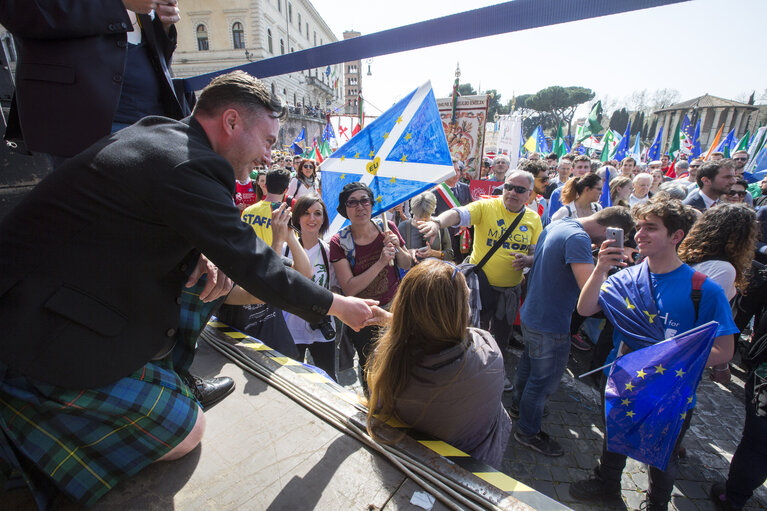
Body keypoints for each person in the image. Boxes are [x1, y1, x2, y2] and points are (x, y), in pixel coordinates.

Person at [0, 71, 376, 508]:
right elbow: (256, 266)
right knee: (189, 429)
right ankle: (47, 436)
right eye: (269, 141)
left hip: (62, 289)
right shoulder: (189, 166)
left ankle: (170, 379)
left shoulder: (161, 134)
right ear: (232, 122)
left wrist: (194, 252)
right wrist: (337, 305)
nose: (269, 157)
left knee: (207, 275)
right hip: (31, 331)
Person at [570, 197, 738, 511]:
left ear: (677, 236)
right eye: (639, 227)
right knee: (613, 439)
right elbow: (586, 308)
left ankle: (656, 503)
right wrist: (601, 268)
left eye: (651, 228)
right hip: (623, 380)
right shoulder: (625, 277)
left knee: (663, 455)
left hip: (670, 391)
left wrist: (663, 359)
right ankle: (606, 483)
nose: (640, 234)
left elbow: (723, 349)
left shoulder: (703, 289)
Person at [511, 207, 635, 457]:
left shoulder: (561, 224)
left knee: (529, 364)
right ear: (608, 230)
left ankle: (518, 407)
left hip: (534, 313)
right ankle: (528, 430)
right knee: (542, 381)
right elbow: (590, 293)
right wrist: (604, 266)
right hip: (551, 322)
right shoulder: (578, 239)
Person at [364, 260, 511, 469]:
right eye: (466, 300)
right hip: (475, 471)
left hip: (413, 468)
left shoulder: (386, 364)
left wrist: (393, 321)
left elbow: (423, 331)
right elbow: (451, 332)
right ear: (459, 311)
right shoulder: (489, 351)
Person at [0, 1, 190, 163]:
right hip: (82, 117)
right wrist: (118, 3)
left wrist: (163, 24)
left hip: (153, 117)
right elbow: (20, 10)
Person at [420, 170, 543, 387]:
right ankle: (466, 369)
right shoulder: (486, 206)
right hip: (480, 285)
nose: (512, 192)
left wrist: (528, 260)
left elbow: (537, 254)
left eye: (520, 189)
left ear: (529, 194)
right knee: (471, 329)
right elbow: (459, 213)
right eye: (508, 187)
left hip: (510, 291)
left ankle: (497, 372)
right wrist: (438, 222)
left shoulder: (534, 219)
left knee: (501, 336)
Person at [330, 182, 414, 392]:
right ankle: (374, 409)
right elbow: (349, 289)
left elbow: (405, 264)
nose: (360, 207)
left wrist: (398, 247)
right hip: (364, 316)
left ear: (371, 204)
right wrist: (380, 263)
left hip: (395, 307)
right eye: (353, 202)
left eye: (364, 201)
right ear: (345, 209)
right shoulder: (339, 242)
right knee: (371, 366)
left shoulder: (387, 227)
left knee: (400, 360)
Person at [282, 195, 338, 380]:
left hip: (322, 327)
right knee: (292, 379)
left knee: (329, 377)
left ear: (324, 219)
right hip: (291, 327)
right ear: (297, 216)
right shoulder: (285, 249)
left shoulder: (329, 251)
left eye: (317, 213)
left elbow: (335, 287)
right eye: (306, 213)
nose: (312, 219)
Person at [241, 167, 292, 247]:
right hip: (274, 258)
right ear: (286, 190)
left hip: (249, 257)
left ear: (266, 186)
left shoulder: (247, 211)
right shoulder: (286, 216)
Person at [399, 192, 453, 262]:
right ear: (414, 212)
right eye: (418, 216)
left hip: (435, 270)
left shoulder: (439, 225)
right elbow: (396, 257)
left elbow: (450, 254)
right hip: (413, 271)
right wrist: (409, 253)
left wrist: (434, 253)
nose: (422, 220)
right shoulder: (403, 227)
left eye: (426, 217)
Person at [549, 154, 591, 219]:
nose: (583, 170)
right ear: (572, 170)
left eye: (586, 167)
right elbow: (551, 220)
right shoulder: (558, 192)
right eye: (579, 167)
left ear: (590, 169)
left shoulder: (594, 192)